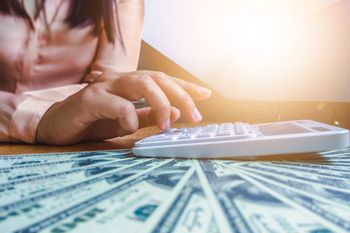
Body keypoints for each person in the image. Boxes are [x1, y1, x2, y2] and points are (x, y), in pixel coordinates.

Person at [0, 0, 211, 145]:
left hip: (73, 144)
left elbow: (107, 92)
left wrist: (61, 114)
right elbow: (95, 94)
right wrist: (42, 119)